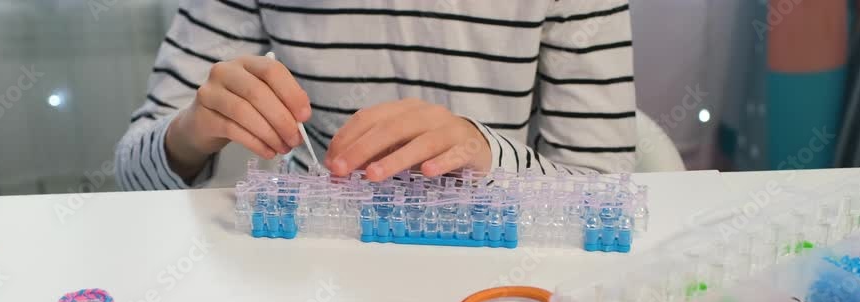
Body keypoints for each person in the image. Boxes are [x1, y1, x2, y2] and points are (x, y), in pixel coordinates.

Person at [115, 0, 637, 191]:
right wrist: (193, 131)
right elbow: (133, 176)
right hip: (311, 271)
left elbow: (609, 194)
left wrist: (486, 154)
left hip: (496, 266)